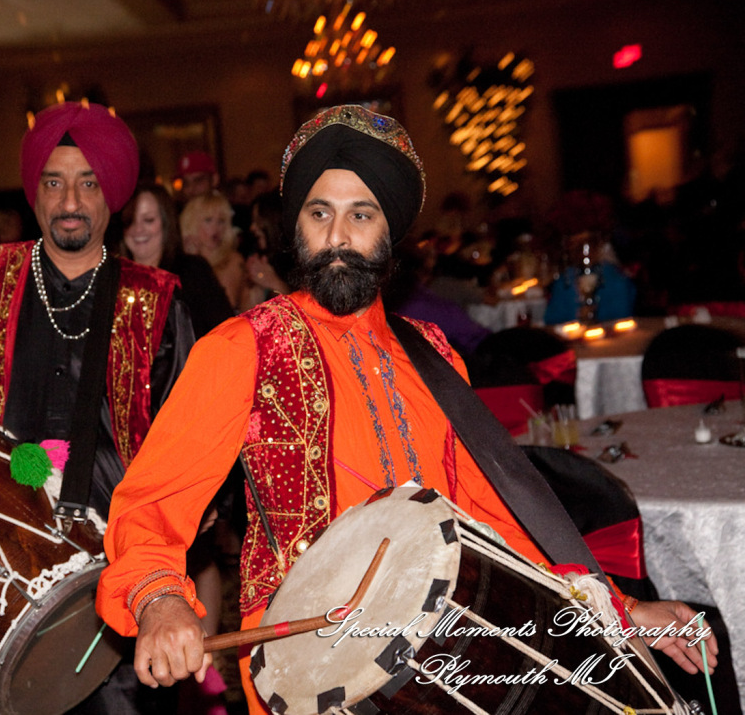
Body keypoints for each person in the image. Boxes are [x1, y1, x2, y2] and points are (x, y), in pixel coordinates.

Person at [96, 105, 717, 714]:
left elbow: (493, 518)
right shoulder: (244, 346)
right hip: (310, 671)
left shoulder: (433, 352)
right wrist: (159, 601)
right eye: (319, 213)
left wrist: (621, 609)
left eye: (361, 215)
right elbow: (151, 502)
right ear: (297, 227)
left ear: (389, 234)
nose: (337, 237)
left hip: (452, 655)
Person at [0, 101, 195, 714]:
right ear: (34, 192)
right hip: (1, 562)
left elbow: (188, 453)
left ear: (112, 196)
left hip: (117, 572)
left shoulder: (156, 302)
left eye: (89, 182)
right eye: (54, 182)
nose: (70, 200)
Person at [120, 183, 234, 337]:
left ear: (167, 222)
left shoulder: (192, 271)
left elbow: (226, 332)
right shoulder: (113, 278)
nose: (138, 229)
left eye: (148, 220)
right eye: (131, 220)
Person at [180, 193, 247, 312]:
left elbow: (223, 309)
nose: (216, 228)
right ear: (192, 223)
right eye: (208, 220)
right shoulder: (180, 260)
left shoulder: (232, 260)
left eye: (221, 221)